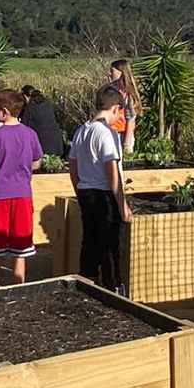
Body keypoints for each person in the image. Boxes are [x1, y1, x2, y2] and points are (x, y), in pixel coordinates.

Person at [0, 89, 45, 285]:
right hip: (22, 194)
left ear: (4, 111)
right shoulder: (30, 134)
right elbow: (36, 162)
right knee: (20, 242)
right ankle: (19, 282)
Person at [68, 83, 132, 291]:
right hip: (104, 194)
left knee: (89, 242)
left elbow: (72, 165)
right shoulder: (107, 133)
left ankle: (88, 285)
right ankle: (114, 288)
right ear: (115, 108)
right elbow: (112, 171)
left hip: (86, 192)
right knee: (110, 245)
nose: (119, 117)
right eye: (119, 113)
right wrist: (122, 204)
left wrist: (79, 190)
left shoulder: (81, 131)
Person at [19, 85, 66, 158]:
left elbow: (23, 128)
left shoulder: (29, 108)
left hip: (42, 146)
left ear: (25, 97)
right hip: (57, 143)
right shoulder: (47, 103)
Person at [107, 59, 140, 153]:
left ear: (121, 73)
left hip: (122, 134)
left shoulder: (129, 93)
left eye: (112, 71)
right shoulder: (110, 89)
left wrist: (126, 143)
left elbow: (131, 118)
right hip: (109, 132)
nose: (109, 73)